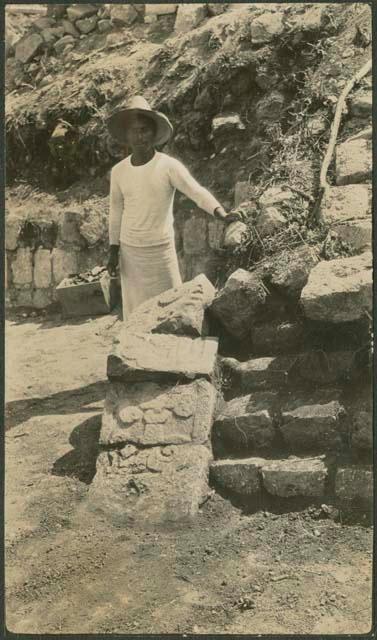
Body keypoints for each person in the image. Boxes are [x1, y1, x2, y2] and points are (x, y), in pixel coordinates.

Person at [106, 95, 239, 320]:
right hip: (131, 253)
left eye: (145, 130)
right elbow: (116, 211)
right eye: (134, 131)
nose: (140, 136)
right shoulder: (119, 171)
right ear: (127, 136)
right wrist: (113, 251)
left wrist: (221, 213)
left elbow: (196, 192)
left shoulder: (168, 166)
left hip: (160, 250)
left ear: (154, 134)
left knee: (170, 310)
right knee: (136, 314)